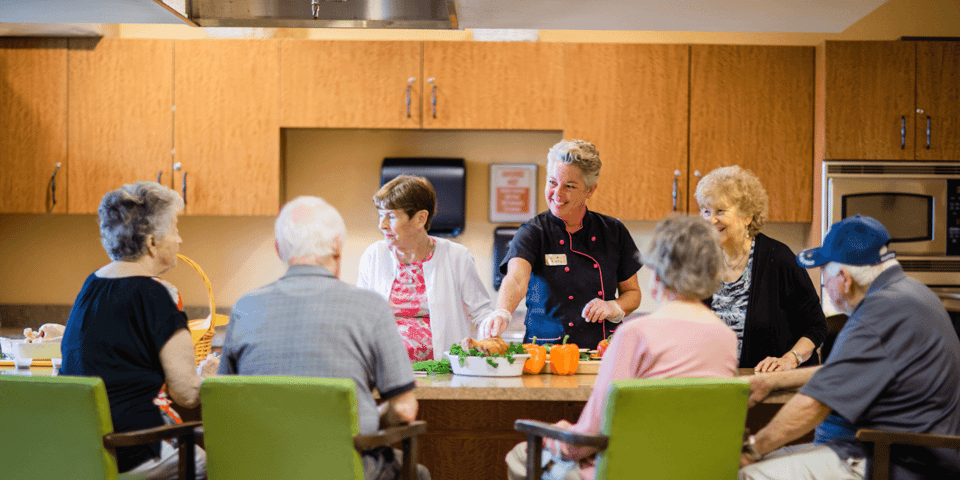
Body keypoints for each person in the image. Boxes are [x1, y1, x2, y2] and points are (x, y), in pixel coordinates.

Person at [505, 215, 738, 480]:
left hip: (629, 472)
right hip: (696, 472)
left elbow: (585, 440)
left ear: (658, 274)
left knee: (521, 455)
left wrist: (557, 436)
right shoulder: (726, 337)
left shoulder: (635, 334)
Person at [218, 196, 429, 480]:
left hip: (259, 470)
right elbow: (404, 409)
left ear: (278, 248)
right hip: (344, 470)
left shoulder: (245, 308)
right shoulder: (370, 307)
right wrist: (365, 419)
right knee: (418, 472)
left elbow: (227, 402)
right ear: (337, 246)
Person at [739, 215, 960, 480]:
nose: (824, 285)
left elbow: (814, 405)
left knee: (747, 474)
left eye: (823, 273)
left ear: (844, 278)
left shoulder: (880, 314)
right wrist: (773, 381)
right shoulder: (908, 294)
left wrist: (752, 449)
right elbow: (844, 370)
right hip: (887, 450)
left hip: (890, 461)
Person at [60, 181, 218, 479]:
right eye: (174, 229)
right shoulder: (157, 293)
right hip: (135, 449)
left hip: (86, 450)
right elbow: (186, 394)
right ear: (151, 243)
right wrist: (209, 375)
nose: (180, 240)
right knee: (217, 463)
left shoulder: (92, 284)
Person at [481, 139, 642, 350]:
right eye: (552, 182)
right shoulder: (533, 232)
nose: (557, 193)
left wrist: (613, 306)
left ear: (590, 190)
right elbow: (516, 279)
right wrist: (502, 311)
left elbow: (633, 293)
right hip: (544, 353)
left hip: (600, 352)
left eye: (569, 186)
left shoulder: (613, 231)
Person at [695, 165, 826, 372]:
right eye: (706, 211)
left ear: (747, 216)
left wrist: (790, 359)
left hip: (768, 384)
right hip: (716, 382)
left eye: (720, 211)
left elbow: (816, 327)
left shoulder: (778, 258)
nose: (711, 219)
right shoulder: (701, 261)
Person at [357, 175, 491, 361]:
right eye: (381, 215)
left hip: (443, 372)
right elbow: (361, 316)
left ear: (420, 218)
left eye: (392, 216)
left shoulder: (457, 257)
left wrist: (492, 331)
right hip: (385, 373)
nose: (382, 225)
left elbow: (483, 314)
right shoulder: (374, 256)